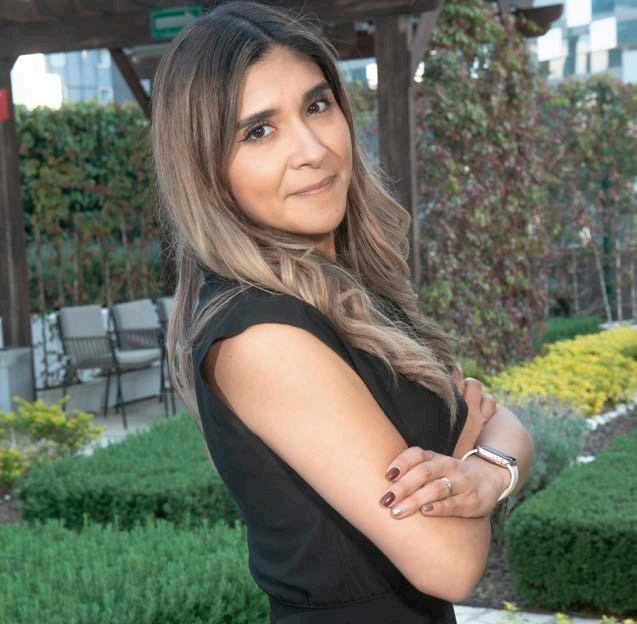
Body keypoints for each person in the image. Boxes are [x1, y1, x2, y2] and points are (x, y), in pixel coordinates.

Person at [150, 2, 534, 622]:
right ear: (209, 174)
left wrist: (487, 474)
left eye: (317, 106)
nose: (312, 149)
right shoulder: (262, 336)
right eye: (259, 131)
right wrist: (468, 444)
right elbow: (451, 563)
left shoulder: (349, 295)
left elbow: (504, 422)